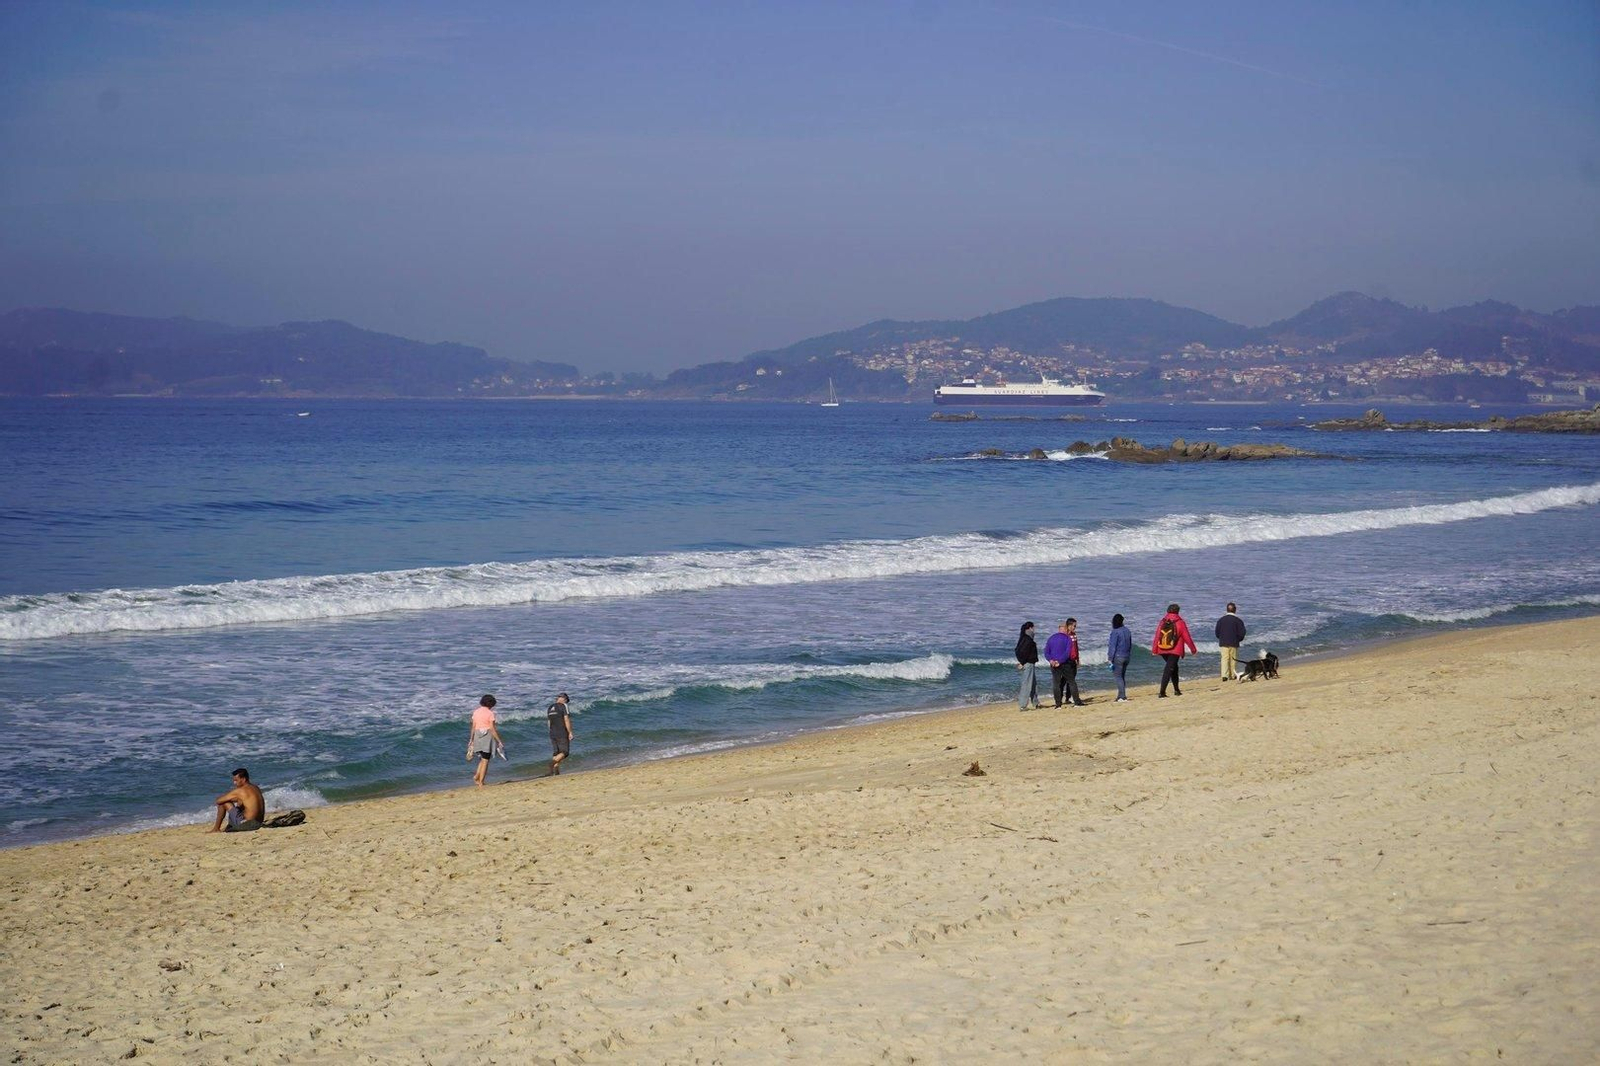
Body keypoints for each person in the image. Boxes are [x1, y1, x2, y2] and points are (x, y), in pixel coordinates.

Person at [1151, 603, 1198, 698]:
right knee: (1169, 669)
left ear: (1167, 611)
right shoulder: (1180, 622)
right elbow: (1187, 637)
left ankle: (1177, 690)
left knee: (1174, 668)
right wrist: (1193, 649)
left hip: (1163, 648)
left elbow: (1157, 636)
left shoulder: (1163, 621)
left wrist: (1155, 649)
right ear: (1178, 611)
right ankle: (1162, 692)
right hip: (1175, 650)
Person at [209, 767, 265, 833]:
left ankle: (216, 829)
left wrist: (233, 798)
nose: (234, 783)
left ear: (243, 779)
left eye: (236, 780)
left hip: (248, 825)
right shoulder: (256, 787)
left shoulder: (240, 791)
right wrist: (238, 799)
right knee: (239, 804)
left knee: (223, 803)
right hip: (258, 823)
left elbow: (218, 800)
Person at [466, 694, 504, 787]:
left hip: (477, 736)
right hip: (487, 736)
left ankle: (476, 777)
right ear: (491, 704)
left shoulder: (476, 712)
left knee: (482, 759)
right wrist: (499, 740)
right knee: (486, 760)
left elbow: (473, 727)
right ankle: (481, 782)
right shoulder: (490, 713)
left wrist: (471, 739)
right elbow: (492, 728)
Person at [1044, 620, 1074, 708]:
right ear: (1064, 629)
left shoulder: (1051, 638)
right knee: (1071, 682)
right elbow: (1067, 653)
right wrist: (1059, 661)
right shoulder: (1067, 638)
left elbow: (1046, 652)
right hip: (1064, 663)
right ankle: (1076, 701)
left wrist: (1051, 660)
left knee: (1056, 684)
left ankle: (1058, 704)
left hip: (1053, 663)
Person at [1215, 602, 1247, 680]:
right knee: (1233, 659)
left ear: (1227, 610)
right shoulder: (1238, 620)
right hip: (1233, 642)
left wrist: (1221, 638)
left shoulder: (1221, 620)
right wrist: (1239, 639)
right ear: (1235, 610)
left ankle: (1224, 675)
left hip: (1223, 641)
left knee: (1224, 659)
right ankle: (1232, 675)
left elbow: (1217, 632)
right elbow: (1242, 633)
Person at [546, 692, 574, 775]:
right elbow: (566, 719)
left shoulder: (550, 707)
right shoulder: (563, 706)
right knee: (565, 752)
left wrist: (551, 732)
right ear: (564, 699)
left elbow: (549, 722)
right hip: (561, 732)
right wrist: (570, 732)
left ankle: (555, 772)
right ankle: (551, 764)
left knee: (556, 752)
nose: (566, 703)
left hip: (552, 732)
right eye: (566, 701)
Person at [1106, 613, 1133, 702]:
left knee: (1118, 677)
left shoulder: (1115, 632)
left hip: (1118, 657)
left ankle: (1122, 696)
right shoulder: (1127, 630)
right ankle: (1120, 695)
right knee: (1122, 676)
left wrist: (1110, 658)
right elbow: (1130, 645)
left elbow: (1112, 646)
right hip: (1126, 656)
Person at [1015, 621, 1040, 710]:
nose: (1034, 629)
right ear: (1030, 628)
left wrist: (1021, 661)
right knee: (1027, 684)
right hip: (1028, 663)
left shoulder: (1025, 638)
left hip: (1030, 663)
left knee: (1033, 684)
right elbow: (1022, 652)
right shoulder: (1028, 639)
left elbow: (1017, 650)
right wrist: (1022, 662)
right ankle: (1023, 705)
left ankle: (1035, 703)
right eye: (1033, 627)